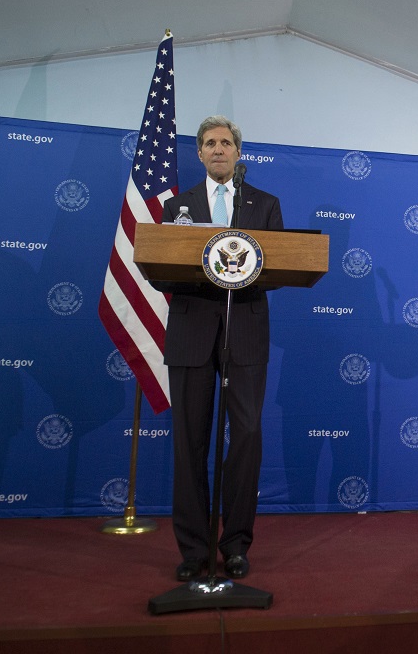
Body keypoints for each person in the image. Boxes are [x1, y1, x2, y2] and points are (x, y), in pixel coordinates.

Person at [153, 115, 284, 582]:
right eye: (209, 143)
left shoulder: (265, 204)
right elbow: (160, 271)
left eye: (226, 142)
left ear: (238, 152)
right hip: (191, 333)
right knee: (190, 442)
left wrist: (238, 272)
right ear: (199, 153)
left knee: (246, 436)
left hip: (244, 331)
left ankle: (236, 545)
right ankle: (193, 549)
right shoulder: (177, 206)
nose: (218, 149)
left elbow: (278, 267)